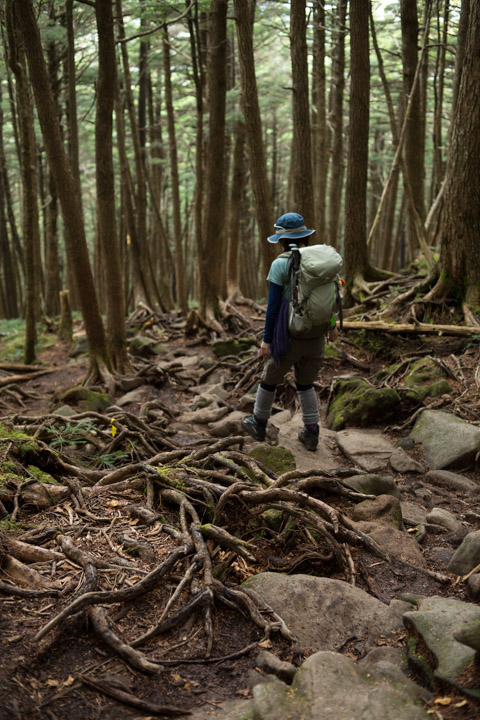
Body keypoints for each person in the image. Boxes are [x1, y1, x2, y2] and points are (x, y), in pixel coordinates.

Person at [242, 212, 338, 451]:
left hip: (289, 336)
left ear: (282, 240)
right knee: (306, 384)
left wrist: (266, 340)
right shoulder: (321, 262)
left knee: (269, 379)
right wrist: (332, 325)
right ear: (305, 237)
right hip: (316, 335)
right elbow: (334, 295)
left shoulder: (280, 264)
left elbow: (273, 306)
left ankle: (259, 422)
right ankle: (312, 432)